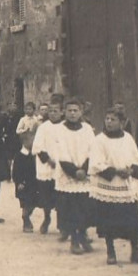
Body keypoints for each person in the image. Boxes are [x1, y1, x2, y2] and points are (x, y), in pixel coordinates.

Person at [89, 108, 138, 266]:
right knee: (108, 219)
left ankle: (135, 251)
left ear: (122, 123)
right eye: (107, 119)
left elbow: (137, 157)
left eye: (113, 119)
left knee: (131, 219)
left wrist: (131, 170)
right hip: (109, 184)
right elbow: (96, 162)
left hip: (125, 185)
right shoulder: (99, 140)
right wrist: (116, 171)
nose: (109, 122)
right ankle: (111, 251)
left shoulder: (128, 138)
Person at [53, 98, 96, 256]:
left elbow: (92, 149)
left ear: (81, 112)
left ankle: (83, 235)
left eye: (75, 110)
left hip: (84, 174)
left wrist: (84, 169)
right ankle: (74, 240)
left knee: (85, 207)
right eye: (69, 110)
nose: (72, 113)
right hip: (68, 174)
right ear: (64, 112)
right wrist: (73, 171)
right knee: (70, 208)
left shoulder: (87, 129)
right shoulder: (60, 130)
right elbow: (61, 153)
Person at [31, 99, 64, 234]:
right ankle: (47, 218)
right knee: (46, 195)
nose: (53, 114)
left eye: (56, 111)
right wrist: (48, 160)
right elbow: (37, 146)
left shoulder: (65, 127)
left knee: (61, 196)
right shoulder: (43, 127)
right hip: (47, 166)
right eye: (50, 111)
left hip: (62, 166)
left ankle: (62, 224)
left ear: (62, 112)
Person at [12, 117, 40, 232]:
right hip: (23, 185)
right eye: (32, 140)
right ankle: (26, 219)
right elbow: (15, 172)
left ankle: (27, 215)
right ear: (25, 142)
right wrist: (19, 182)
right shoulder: (20, 156)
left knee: (34, 201)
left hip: (33, 183)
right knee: (25, 203)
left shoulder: (34, 154)